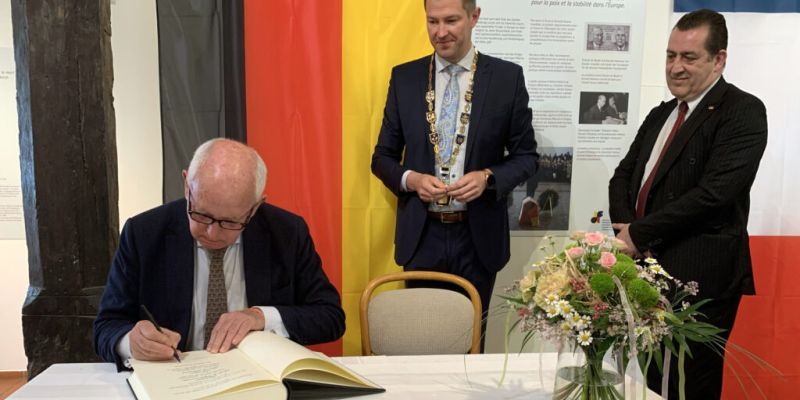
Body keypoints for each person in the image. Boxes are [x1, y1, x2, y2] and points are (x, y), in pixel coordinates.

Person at [608, 9, 767, 399]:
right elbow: (622, 177)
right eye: (670, 55)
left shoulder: (743, 111)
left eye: (689, 57)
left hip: (700, 282)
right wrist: (627, 232)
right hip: (646, 274)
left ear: (719, 59)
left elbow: (713, 195)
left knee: (689, 386)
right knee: (650, 384)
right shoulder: (661, 113)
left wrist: (639, 234)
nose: (675, 67)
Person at [94, 139, 345, 370]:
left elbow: (331, 317)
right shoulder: (144, 233)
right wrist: (131, 342)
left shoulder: (287, 233)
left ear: (256, 207)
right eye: (201, 215)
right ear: (187, 186)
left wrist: (260, 317)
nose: (212, 233)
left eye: (230, 222)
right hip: (175, 378)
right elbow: (106, 326)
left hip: (258, 378)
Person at [371, 0, 538, 336]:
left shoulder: (506, 78)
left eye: (451, 21)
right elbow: (382, 158)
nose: (440, 32)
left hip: (477, 239)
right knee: (421, 339)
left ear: (474, 17)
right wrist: (412, 179)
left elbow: (527, 157)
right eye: (432, 21)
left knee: (470, 341)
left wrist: (488, 177)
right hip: (421, 236)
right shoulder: (405, 78)